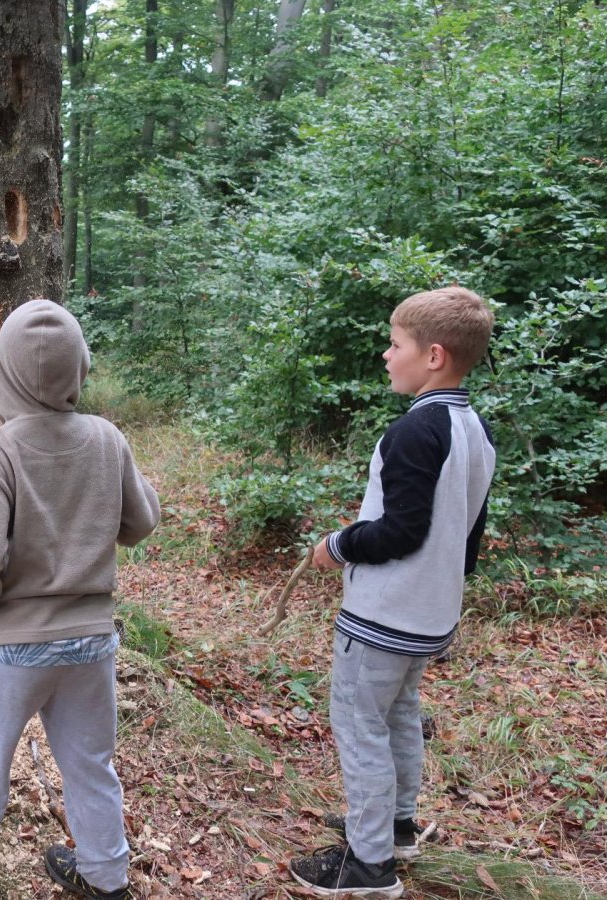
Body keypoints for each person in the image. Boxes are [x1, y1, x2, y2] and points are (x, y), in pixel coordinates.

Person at [0, 299, 161, 900]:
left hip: (10, 649)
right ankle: (106, 876)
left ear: (4, 374)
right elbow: (141, 522)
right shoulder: (107, 439)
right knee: (91, 764)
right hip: (91, 644)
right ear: (79, 369)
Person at [290, 287, 496, 898]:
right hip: (430, 616)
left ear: (433, 355)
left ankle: (369, 864)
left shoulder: (413, 433)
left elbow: (402, 530)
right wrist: (443, 592)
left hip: (384, 617)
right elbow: (468, 531)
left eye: (395, 343)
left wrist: (339, 544)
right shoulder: (474, 428)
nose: (386, 354)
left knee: (361, 727)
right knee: (400, 714)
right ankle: (397, 827)